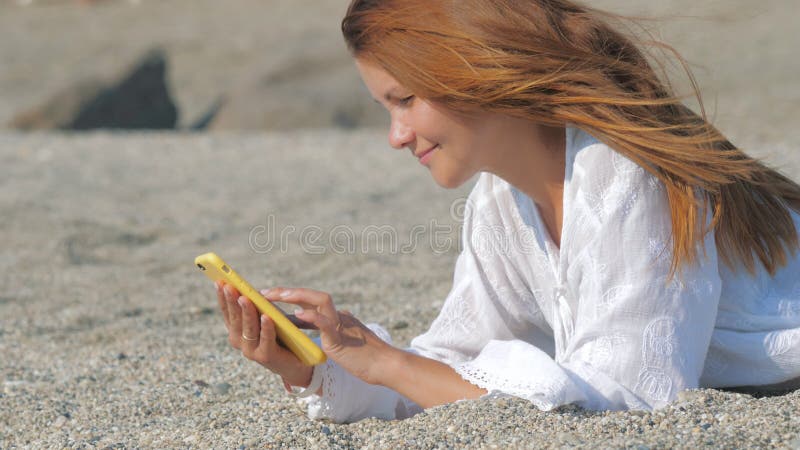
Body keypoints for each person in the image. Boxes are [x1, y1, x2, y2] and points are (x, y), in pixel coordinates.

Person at [214, 0, 800, 423]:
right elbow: (452, 365)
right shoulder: (498, 203)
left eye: (405, 100)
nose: (395, 135)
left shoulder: (623, 171)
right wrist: (326, 364)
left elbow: (631, 398)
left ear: (471, 71)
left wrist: (389, 364)